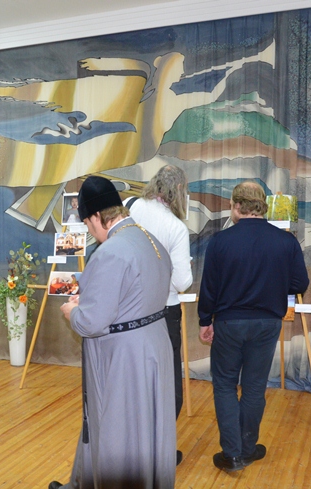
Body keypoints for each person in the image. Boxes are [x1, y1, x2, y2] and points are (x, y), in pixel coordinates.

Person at [50, 176, 176, 489]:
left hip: (124, 356)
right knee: (147, 426)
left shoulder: (111, 251)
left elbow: (91, 323)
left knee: (120, 428)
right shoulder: (150, 240)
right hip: (153, 344)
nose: (91, 232)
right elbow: (131, 298)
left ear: (96, 216)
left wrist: (72, 311)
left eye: (87, 224)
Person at [197, 181, 309, 473]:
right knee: (255, 387)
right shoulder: (285, 241)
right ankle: (247, 449)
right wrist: (274, 285)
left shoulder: (220, 242)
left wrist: (205, 320)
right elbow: (300, 283)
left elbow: (209, 288)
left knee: (224, 385)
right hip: (267, 323)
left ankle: (232, 454)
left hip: (229, 322)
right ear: (263, 206)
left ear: (236, 206)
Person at [126, 165, 193, 464]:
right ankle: (157, 450)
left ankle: (131, 445)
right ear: (179, 191)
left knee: (134, 380)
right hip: (163, 313)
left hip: (128, 309)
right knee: (167, 385)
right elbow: (182, 282)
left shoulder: (131, 208)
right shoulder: (175, 227)